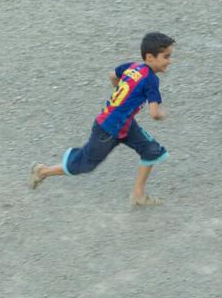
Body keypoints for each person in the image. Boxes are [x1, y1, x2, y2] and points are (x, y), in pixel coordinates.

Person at [28, 32, 175, 207]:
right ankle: (43, 171)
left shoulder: (133, 66)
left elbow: (113, 75)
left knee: (152, 150)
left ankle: (138, 195)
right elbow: (154, 113)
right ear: (150, 57)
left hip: (123, 124)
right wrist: (163, 114)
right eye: (166, 56)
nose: (170, 61)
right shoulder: (151, 80)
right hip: (108, 130)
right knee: (84, 163)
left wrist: (122, 95)